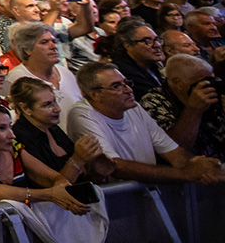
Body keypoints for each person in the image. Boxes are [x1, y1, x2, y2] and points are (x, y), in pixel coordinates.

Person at [65, 61, 225, 185]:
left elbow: (173, 151)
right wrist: (187, 174)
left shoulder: (134, 107)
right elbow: (114, 166)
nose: (128, 89)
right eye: (116, 86)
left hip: (144, 196)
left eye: (126, 82)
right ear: (94, 95)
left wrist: (196, 165)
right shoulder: (82, 114)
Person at [9, 77, 113, 180]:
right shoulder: (20, 137)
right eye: (47, 105)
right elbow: (54, 187)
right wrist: (78, 159)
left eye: (55, 101)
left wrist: (95, 169)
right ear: (26, 109)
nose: (57, 109)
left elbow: (80, 177)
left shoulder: (53, 128)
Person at [139, 54, 225, 159]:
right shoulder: (154, 101)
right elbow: (176, 148)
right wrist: (194, 110)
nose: (209, 86)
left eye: (211, 79)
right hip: (189, 168)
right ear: (177, 82)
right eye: (201, 82)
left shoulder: (216, 88)